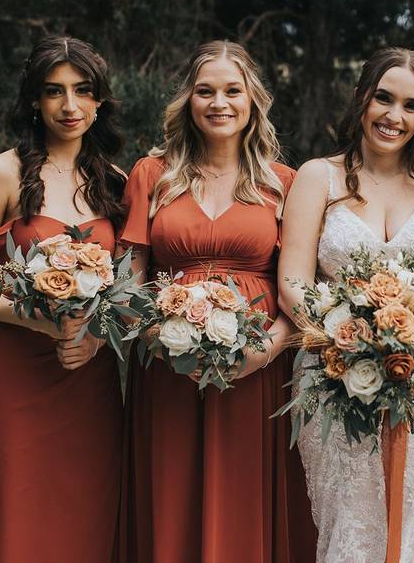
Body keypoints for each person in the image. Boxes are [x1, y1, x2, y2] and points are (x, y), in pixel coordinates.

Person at [278, 47, 414, 562]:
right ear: (360, 99)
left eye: (410, 106)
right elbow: (293, 283)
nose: (394, 116)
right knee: (350, 519)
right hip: (332, 377)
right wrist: (347, 346)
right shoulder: (316, 177)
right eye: (383, 99)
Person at [118, 40, 315, 562]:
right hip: (167, 365)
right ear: (187, 99)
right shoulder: (151, 175)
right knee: (172, 486)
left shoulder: (284, 184)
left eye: (233, 90)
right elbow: (130, 280)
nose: (219, 102)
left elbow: (300, 288)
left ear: (253, 101)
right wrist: (160, 339)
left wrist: (266, 350)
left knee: (244, 492)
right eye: (205, 91)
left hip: (259, 366)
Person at [0, 36, 125, 562]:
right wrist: (39, 323)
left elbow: (127, 284)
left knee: (87, 509)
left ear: (99, 101)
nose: (69, 106)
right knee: (15, 508)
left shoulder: (116, 183)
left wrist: (94, 337)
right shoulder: (3, 171)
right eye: (54, 92)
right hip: (16, 371)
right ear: (34, 101)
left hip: (86, 375)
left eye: (82, 91)